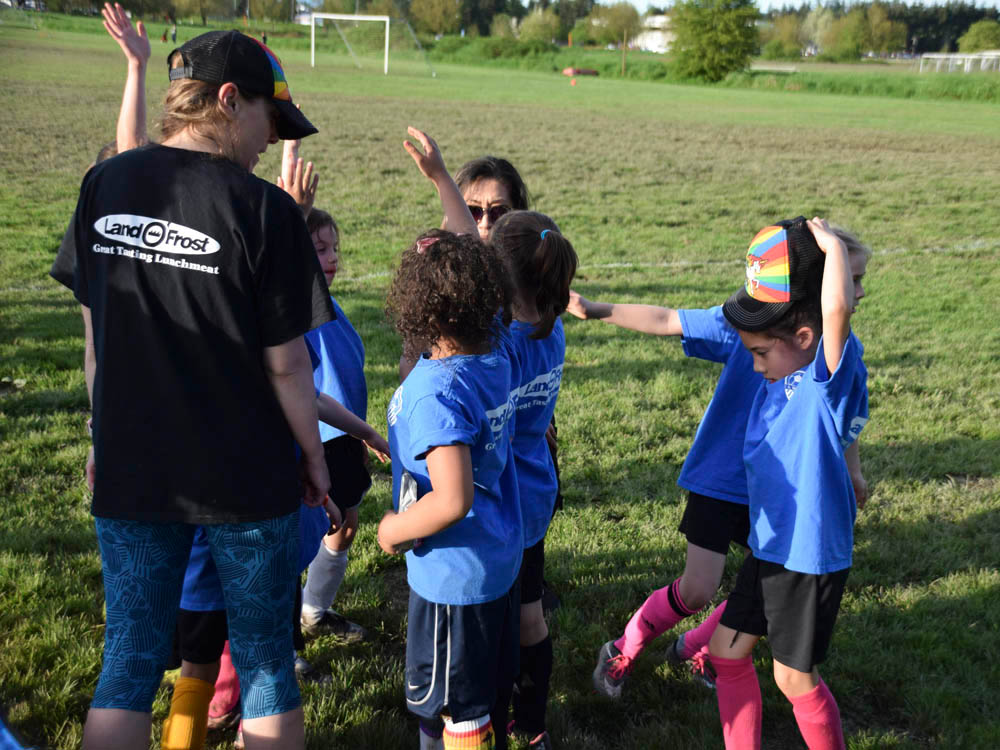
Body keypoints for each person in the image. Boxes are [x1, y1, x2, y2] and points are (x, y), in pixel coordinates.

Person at [50, 29, 331, 750]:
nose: (271, 141)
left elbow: (96, 340)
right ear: (228, 101)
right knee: (267, 665)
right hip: (247, 477)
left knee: (130, 662)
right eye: (268, 121)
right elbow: (288, 365)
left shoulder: (102, 183)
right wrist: (315, 456)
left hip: (135, 465)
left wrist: (99, 435)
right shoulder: (266, 210)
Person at [578, 225, 871, 698]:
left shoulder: (842, 351)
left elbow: (845, 419)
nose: (858, 291)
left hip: (781, 494)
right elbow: (669, 319)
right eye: (851, 277)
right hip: (722, 478)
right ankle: (625, 646)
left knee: (758, 584)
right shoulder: (747, 323)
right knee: (697, 589)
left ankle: (703, 648)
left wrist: (852, 471)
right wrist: (597, 310)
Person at [708, 216, 868, 750]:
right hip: (771, 546)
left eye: (759, 353)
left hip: (807, 556)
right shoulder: (788, 372)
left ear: (803, 338)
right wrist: (852, 466)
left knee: (792, 677)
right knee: (727, 652)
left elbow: (836, 312)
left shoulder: (825, 378)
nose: (754, 366)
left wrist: (831, 250)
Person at [378, 230, 522, 750]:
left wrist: (392, 529)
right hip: (496, 560)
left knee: (453, 711)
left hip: (453, 580)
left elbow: (452, 498)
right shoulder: (497, 349)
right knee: (483, 696)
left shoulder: (436, 392)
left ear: (424, 314)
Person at [489, 211, 577, 750]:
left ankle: (492, 720)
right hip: (537, 491)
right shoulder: (553, 327)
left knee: (498, 624)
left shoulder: (500, 342)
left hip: (502, 498)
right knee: (530, 615)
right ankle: (533, 725)